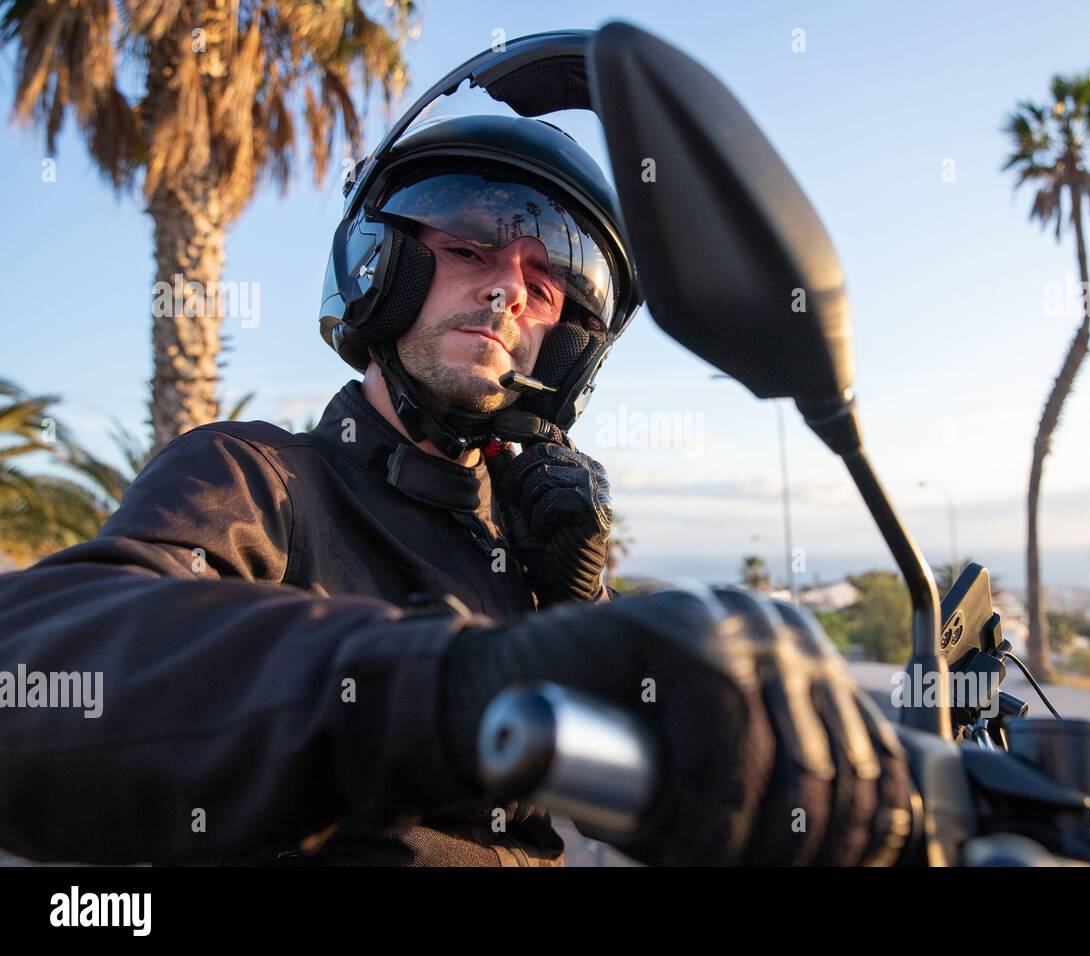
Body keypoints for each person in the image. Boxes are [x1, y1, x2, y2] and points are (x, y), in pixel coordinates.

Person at [0, 112, 914, 867]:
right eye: (473, 244)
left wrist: (585, 618)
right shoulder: (257, 477)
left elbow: (622, 799)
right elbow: (32, 677)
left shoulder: (522, 537)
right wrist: (465, 684)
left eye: (547, 280)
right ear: (382, 268)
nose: (509, 289)